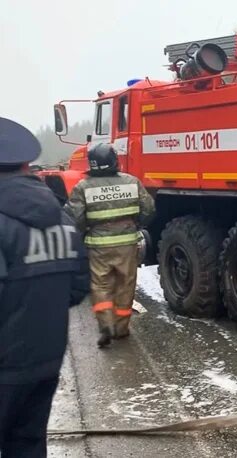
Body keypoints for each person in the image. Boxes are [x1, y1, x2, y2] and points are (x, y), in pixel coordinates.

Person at [0, 117, 89, 457]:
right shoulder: (62, 219)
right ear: (25, 164)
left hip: (5, 365)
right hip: (46, 361)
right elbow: (78, 287)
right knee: (28, 444)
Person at [65, 143, 154, 348]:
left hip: (98, 246)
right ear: (114, 160)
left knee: (101, 285)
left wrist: (83, 235)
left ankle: (105, 325)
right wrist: (136, 224)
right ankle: (121, 329)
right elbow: (148, 209)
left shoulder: (83, 187)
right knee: (126, 283)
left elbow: (75, 219)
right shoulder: (132, 182)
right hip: (127, 244)